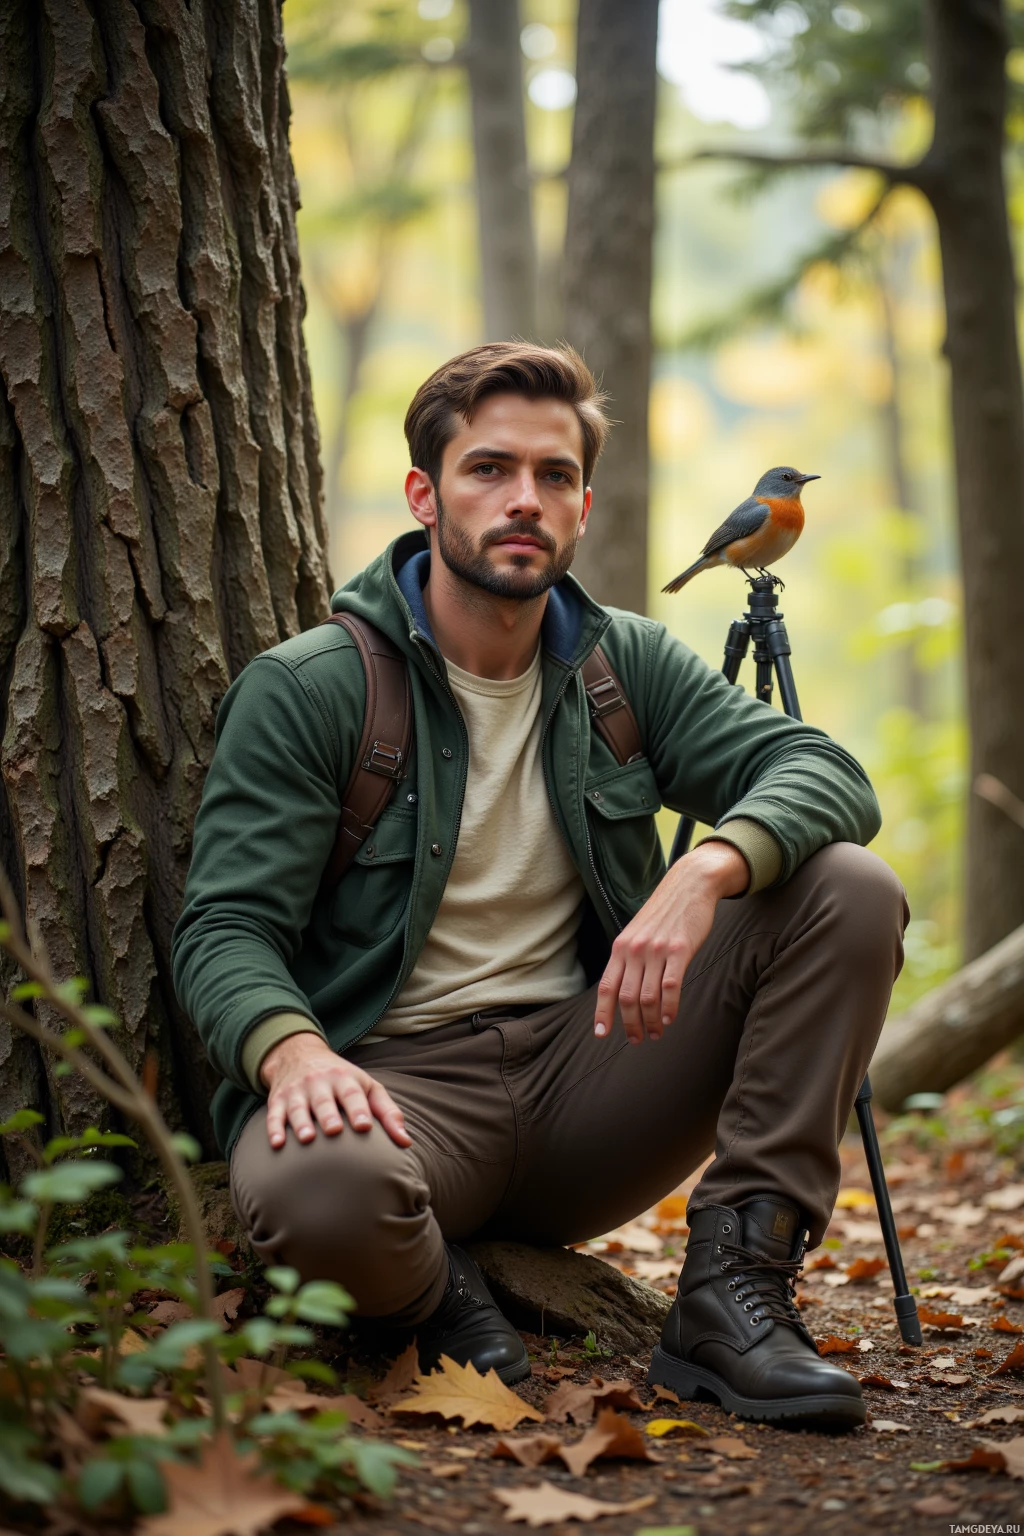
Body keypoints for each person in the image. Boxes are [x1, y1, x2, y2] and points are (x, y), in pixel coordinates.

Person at [172, 342, 908, 1430]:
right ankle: (438, 1301)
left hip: (595, 1072)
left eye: (553, 476)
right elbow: (223, 927)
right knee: (320, 1195)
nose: (524, 500)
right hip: (397, 1093)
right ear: (425, 494)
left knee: (848, 886)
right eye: (489, 469)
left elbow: (827, 774)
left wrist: (709, 865)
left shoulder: (626, 664)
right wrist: (293, 1052)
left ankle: (734, 1289)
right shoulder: (311, 688)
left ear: (581, 504)